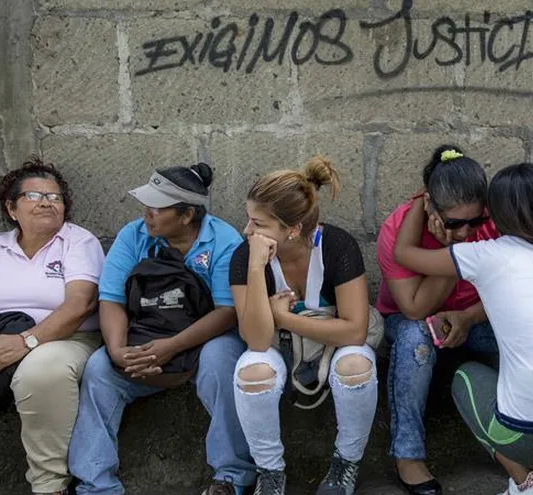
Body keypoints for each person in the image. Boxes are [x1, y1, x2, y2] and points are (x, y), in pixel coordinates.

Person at [393, 163, 533, 495]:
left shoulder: (487, 255)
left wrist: (421, 203)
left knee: (466, 379)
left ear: (496, 216)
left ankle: (528, 483)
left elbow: (404, 254)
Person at [67, 163, 256, 495]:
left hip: (205, 337)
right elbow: (111, 299)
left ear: (186, 215)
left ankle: (232, 477)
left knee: (220, 362)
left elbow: (227, 312)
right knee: (99, 368)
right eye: (146, 205)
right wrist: (118, 351)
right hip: (146, 331)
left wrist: (173, 346)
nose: (147, 214)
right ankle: (95, 485)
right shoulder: (134, 235)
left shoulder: (223, 240)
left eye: (157, 207)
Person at [0, 158, 104, 495]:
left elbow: (80, 304)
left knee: (42, 370)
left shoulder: (77, 241)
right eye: (34, 196)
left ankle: (50, 485)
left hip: (65, 338)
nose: (46, 202)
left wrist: (25, 342)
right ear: (11, 208)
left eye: (55, 197)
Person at [229, 155, 377, 495]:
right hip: (277, 348)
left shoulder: (337, 247)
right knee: (251, 371)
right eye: (248, 220)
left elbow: (354, 330)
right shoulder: (245, 256)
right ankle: (270, 473)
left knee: (356, 365)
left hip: (332, 349)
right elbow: (256, 340)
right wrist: (256, 268)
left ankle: (345, 463)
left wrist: (284, 317)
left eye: (258, 224)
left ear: (293, 230)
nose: (247, 231)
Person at [376, 146, 499, 495]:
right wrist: (450, 257)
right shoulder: (398, 228)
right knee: (415, 337)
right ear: (429, 204)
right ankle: (408, 455)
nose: (464, 232)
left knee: (525, 325)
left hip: (478, 316)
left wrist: (468, 317)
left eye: (474, 221)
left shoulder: (495, 222)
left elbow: (513, 288)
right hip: (412, 319)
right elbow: (413, 308)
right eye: (454, 223)